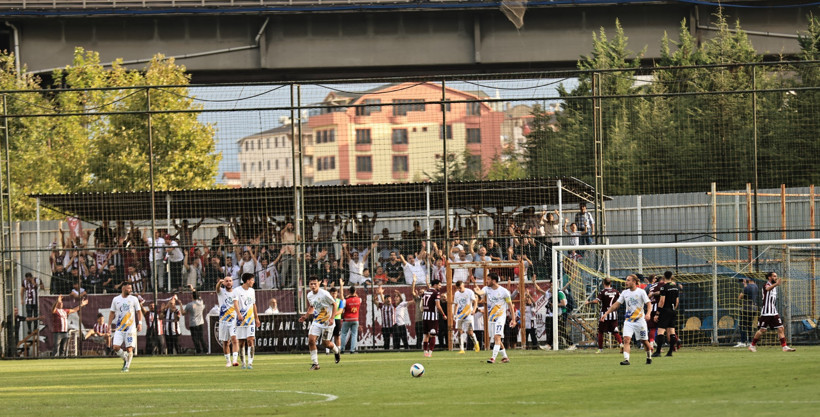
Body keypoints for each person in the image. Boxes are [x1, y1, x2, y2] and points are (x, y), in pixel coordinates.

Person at [601, 274, 653, 365]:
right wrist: (606, 313)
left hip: (640, 321)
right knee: (626, 339)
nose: (626, 282)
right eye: (626, 280)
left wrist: (648, 313)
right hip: (628, 321)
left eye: (628, 280)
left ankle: (649, 356)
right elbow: (616, 304)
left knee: (644, 341)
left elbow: (648, 303)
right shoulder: (625, 292)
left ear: (634, 282)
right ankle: (626, 360)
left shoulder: (641, 292)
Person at [299, 275, 341, 370]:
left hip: (328, 322)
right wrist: (305, 316)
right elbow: (312, 307)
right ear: (309, 285)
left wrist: (332, 318)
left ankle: (336, 351)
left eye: (315, 283)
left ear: (319, 283)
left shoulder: (325, 294)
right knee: (311, 340)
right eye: (311, 284)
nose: (313, 286)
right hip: (317, 321)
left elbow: (334, 304)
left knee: (326, 343)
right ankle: (315, 363)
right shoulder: (309, 295)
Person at [474, 272, 516, 364]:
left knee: (497, 337)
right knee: (496, 338)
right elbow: (481, 292)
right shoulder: (486, 289)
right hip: (491, 318)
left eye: (488, 279)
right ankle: (505, 357)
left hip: (501, 317)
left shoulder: (504, 291)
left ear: (493, 281)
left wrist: (513, 319)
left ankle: (493, 358)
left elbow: (510, 306)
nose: (487, 281)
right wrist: (477, 291)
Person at [748, 272, 796, 352]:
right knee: (762, 330)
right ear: (769, 277)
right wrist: (776, 284)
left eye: (776, 276)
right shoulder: (766, 285)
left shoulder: (774, 287)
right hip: (766, 312)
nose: (776, 278)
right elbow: (767, 289)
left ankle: (784, 347)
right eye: (774, 276)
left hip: (773, 311)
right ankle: (752, 345)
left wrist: (776, 285)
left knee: (781, 328)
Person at [108, 282, 143, 372]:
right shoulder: (116, 299)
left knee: (129, 348)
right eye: (128, 288)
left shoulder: (134, 299)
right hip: (119, 328)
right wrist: (108, 324)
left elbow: (139, 311)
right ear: (123, 288)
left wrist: (140, 323)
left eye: (131, 288)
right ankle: (125, 358)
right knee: (115, 347)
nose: (130, 290)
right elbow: (112, 312)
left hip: (130, 328)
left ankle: (126, 367)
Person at [586, 278, 624, 354]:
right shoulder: (616, 291)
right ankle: (621, 344)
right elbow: (621, 300)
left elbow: (596, 301)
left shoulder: (603, 292)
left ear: (603, 283)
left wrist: (589, 302)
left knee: (600, 331)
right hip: (614, 314)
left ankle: (600, 349)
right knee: (615, 331)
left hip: (604, 314)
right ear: (610, 283)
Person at [235, 273, 260, 369]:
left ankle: (250, 363)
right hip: (241, 319)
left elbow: (254, 305)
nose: (253, 282)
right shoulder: (237, 290)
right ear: (248, 280)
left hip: (251, 320)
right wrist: (239, 314)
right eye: (252, 280)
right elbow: (236, 304)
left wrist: (257, 318)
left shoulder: (252, 291)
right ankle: (243, 363)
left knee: (250, 340)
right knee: (241, 342)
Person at [416, 277, 446, 358]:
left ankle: (425, 352)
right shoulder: (436, 293)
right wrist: (443, 314)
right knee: (433, 335)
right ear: (435, 285)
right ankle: (430, 353)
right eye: (439, 285)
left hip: (425, 316)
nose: (440, 287)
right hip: (432, 317)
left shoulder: (425, 292)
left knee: (426, 335)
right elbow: (438, 306)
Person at [216, 276, 242, 367]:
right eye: (226, 281)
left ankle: (235, 360)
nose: (228, 282)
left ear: (232, 282)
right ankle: (228, 361)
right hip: (223, 320)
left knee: (235, 339)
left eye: (230, 281)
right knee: (225, 342)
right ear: (224, 283)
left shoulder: (236, 292)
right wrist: (220, 282)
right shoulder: (221, 292)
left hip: (233, 320)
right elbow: (217, 288)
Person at [654, 271, 680, 357]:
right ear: (671, 277)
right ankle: (670, 352)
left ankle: (658, 352)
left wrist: (657, 313)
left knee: (661, 331)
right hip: (672, 310)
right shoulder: (676, 287)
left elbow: (662, 301)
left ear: (664, 277)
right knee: (672, 331)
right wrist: (673, 309)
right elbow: (677, 301)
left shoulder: (663, 287)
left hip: (665, 310)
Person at [453, 280, 480, 353]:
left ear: (463, 285)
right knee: (460, 331)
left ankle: (476, 343)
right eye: (458, 288)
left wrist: (474, 310)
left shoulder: (469, 292)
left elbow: (475, 301)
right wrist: (455, 314)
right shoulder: (456, 294)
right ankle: (461, 349)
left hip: (468, 314)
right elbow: (456, 304)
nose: (459, 289)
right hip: (460, 315)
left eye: (460, 287)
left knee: (470, 332)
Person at [182, 284, 207, 354]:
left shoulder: (189, 305)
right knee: (201, 337)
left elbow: (183, 313)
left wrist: (180, 305)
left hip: (193, 323)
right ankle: (205, 350)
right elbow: (198, 295)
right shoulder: (201, 302)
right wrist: (192, 288)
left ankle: (198, 351)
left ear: (191, 296)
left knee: (195, 339)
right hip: (201, 323)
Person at [736, 277, 759, 347]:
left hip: (746, 308)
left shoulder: (747, 287)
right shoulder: (756, 286)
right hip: (753, 308)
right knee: (749, 325)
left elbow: (740, 297)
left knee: (742, 325)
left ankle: (743, 341)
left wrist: (745, 285)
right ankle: (749, 341)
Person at [341, 285, 361, 354]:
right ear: (355, 291)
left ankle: (342, 349)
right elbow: (357, 297)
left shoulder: (346, 300)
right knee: (354, 334)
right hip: (355, 319)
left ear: (349, 291)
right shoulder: (359, 299)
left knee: (343, 334)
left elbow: (343, 308)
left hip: (347, 319)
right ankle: (352, 350)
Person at [376, 285, 397, 350]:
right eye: (387, 299)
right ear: (384, 300)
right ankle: (386, 351)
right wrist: (377, 294)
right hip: (385, 326)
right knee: (386, 341)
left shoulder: (393, 305)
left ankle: (396, 350)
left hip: (393, 325)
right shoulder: (381, 305)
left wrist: (381, 294)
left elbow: (399, 302)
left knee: (395, 340)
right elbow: (374, 301)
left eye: (390, 298)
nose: (389, 300)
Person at [330, 285, 345, 354]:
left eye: (335, 293)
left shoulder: (339, 301)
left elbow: (340, 311)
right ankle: (328, 351)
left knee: (337, 335)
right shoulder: (328, 301)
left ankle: (338, 349)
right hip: (330, 320)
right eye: (333, 293)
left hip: (337, 320)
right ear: (330, 294)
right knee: (328, 336)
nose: (334, 295)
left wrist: (333, 314)